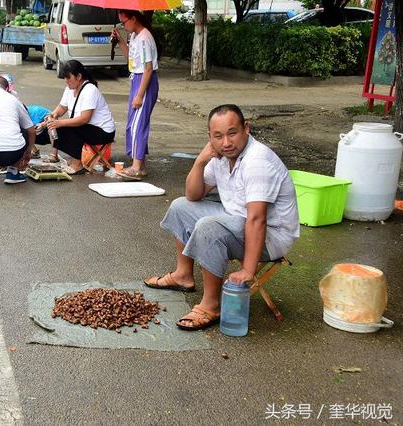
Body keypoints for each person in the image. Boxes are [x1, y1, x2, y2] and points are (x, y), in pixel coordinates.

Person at [143, 104, 300, 331]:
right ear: (210, 137)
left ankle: (211, 304)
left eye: (232, 133)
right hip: (237, 219)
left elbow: (257, 219)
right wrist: (200, 161)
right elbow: (193, 194)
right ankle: (183, 275)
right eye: (218, 136)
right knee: (180, 206)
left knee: (209, 226)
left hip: (271, 237)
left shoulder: (258, 162)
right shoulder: (219, 156)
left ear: (246, 128)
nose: (226, 143)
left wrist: (248, 269)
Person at [41, 60, 115, 175]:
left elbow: (85, 119)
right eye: (65, 78)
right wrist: (52, 116)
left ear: (79, 76)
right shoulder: (69, 89)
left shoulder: (90, 90)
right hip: (87, 127)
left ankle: (77, 164)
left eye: (68, 78)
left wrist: (60, 123)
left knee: (67, 129)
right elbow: (62, 107)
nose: (66, 81)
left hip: (103, 131)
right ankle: (72, 158)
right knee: (54, 128)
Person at [111, 10, 160, 181]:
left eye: (124, 22)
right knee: (133, 124)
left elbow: (148, 69)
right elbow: (130, 59)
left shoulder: (145, 37)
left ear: (134, 18)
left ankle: (137, 167)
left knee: (137, 125)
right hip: (136, 79)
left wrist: (139, 95)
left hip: (144, 82)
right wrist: (120, 40)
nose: (123, 26)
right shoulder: (135, 36)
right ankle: (140, 164)